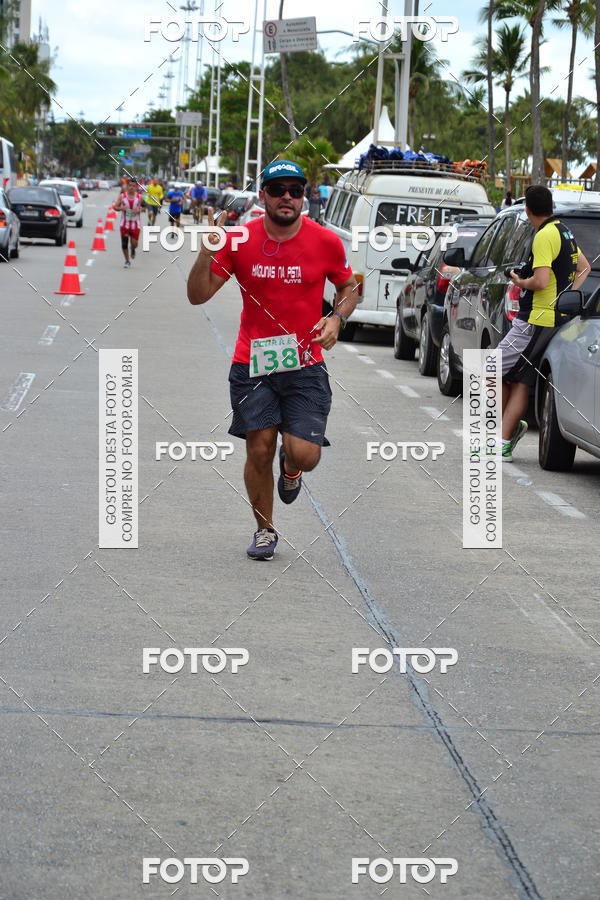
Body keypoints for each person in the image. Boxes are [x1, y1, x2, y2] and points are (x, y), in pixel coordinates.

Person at [187, 160, 358, 560]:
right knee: (258, 448)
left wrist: (337, 317)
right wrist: (205, 253)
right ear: (262, 195)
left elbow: (349, 287)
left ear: (304, 197)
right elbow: (197, 295)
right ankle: (265, 529)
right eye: (278, 189)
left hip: (305, 364)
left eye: (295, 190)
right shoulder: (239, 240)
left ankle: (292, 466)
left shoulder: (325, 242)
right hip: (253, 364)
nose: (286, 196)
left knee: (305, 455)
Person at [498, 184, 589, 461]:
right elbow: (583, 267)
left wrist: (519, 281)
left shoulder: (543, 236)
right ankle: (502, 438)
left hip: (534, 319)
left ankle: (499, 437)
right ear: (549, 206)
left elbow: (540, 281)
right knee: (520, 380)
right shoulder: (564, 231)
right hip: (552, 318)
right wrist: (565, 295)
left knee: (487, 370)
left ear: (527, 211)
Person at [114, 176, 143, 268]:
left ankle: (133, 249)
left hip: (135, 224)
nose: (131, 187)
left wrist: (139, 209)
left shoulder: (140, 197)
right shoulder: (122, 196)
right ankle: (127, 261)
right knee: (124, 243)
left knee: (135, 244)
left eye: (133, 186)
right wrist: (121, 208)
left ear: (136, 187)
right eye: (129, 185)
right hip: (124, 224)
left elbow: (145, 207)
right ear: (127, 186)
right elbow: (115, 207)